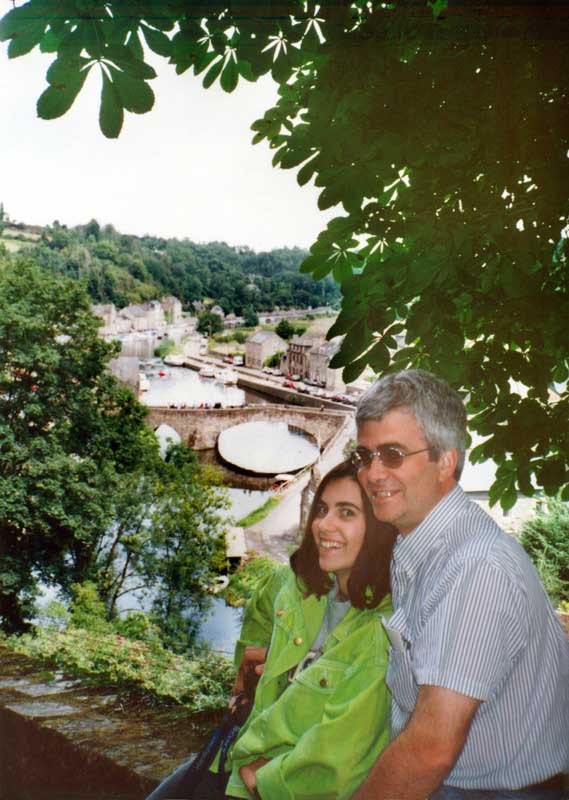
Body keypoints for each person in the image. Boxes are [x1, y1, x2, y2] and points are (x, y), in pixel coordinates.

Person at [348, 369, 569, 800]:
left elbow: (429, 751)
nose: (372, 474)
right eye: (364, 456)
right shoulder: (424, 545)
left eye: (392, 454)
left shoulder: (473, 568)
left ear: (446, 461)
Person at [147, 460, 397, 800]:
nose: (324, 525)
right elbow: (261, 617)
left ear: (379, 528)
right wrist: (254, 669)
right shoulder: (298, 588)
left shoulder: (379, 627)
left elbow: (343, 752)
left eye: (347, 513)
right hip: (240, 755)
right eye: (322, 510)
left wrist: (264, 781)